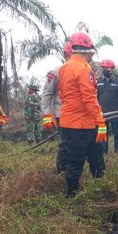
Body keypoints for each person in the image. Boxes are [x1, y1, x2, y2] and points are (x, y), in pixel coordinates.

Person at [58, 32, 106, 198]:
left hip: (69, 121)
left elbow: (63, 94)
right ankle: (72, 197)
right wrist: (101, 122)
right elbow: (89, 98)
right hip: (83, 124)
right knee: (78, 161)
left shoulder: (64, 67)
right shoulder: (84, 68)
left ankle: (97, 190)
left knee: (94, 156)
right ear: (88, 51)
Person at [41, 42, 72, 173]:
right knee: (66, 142)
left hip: (78, 114)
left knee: (76, 142)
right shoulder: (56, 72)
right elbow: (47, 94)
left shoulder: (84, 70)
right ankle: (62, 170)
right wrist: (48, 115)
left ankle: (72, 168)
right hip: (63, 113)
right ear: (66, 55)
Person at [97, 59, 118, 154]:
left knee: (117, 133)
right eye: (103, 68)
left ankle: (117, 151)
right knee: (103, 132)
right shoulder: (98, 82)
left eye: (107, 68)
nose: (105, 69)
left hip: (115, 112)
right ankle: (103, 151)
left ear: (112, 69)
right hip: (102, 113)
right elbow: (95, 98)